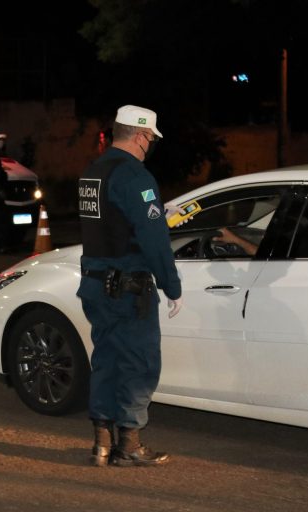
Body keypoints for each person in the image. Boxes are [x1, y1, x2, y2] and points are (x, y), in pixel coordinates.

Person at [77, 105, 183, 467]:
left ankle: (101, 444)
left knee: (105, 361)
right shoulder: (135, 177)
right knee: (139, 365)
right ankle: (129, 444)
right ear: (140, 135)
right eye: (150, 138)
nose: (149, 145)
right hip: (129, 291)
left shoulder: (92, 173)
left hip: (94, 286)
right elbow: (154, 240)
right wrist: (172, 286)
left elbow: (105, 228)